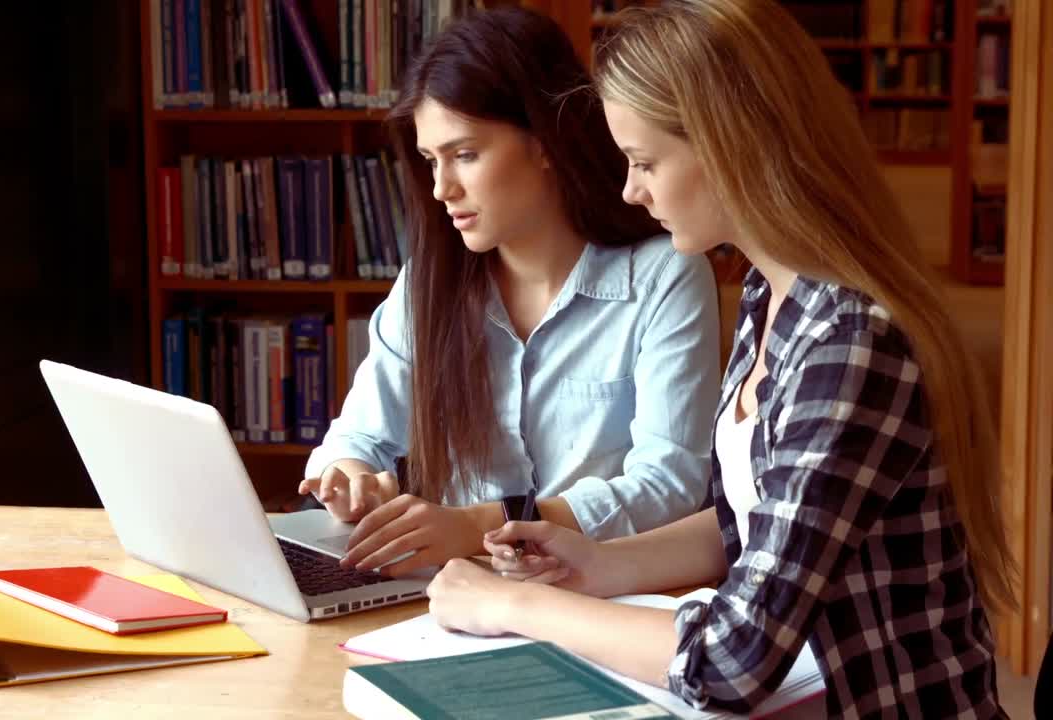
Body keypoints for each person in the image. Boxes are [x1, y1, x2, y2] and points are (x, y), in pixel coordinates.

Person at [424, 1, 1015, 718]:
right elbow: (753, 521)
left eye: (644, 162)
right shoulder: (773, 293)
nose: (629, 191)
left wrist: (512, 606)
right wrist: (596, 565)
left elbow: (733, 660)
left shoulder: (851, 346)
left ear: (731, 146)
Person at [297, 7, 722, 577]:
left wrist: (478, 523)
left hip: (603, 592)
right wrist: (348, 476)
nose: (443, 188)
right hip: (459, 591)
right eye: (430, 160)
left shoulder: (663, 274)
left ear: (544, 141)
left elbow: (668, 483)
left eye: (465, 154)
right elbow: (359, 437)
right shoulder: (428, 282)